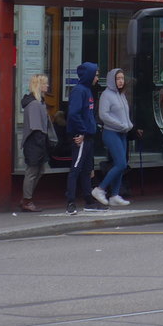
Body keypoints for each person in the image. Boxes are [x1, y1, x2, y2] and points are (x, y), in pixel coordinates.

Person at [93, 68, 138, 207]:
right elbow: (104, 115)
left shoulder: (121, 95)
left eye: (122, 78)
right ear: (112, 80)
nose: (120, 81)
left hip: (122, 133)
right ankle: (100, 189)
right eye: (118, 78)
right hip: (111, 133)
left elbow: (125, 114)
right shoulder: (106, 95)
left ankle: (115, 195)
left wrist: (129, 125)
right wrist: (121, 125)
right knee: (120, 163)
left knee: (122, 164)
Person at [66, 61, 104, 214]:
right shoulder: (79, 91)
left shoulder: (87, 91)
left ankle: (88, 200)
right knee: (76, 169)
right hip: (81, 137)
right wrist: (81, 132)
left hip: (87, 136)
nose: (96, 78)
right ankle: (70, 202)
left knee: (87, 170)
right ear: (89, 75)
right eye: (95, 75)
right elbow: (74, 114)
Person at [20, 74, 51, 211]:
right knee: (32, 171)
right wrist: (41, 142)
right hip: (34, 141)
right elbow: (36, 126)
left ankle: (27, 197)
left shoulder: (39, 102)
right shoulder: (34, 104)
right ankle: (27, 200)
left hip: (37, 140)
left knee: (39, 170)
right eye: (45, 83)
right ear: (39, 85)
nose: (47, 86)